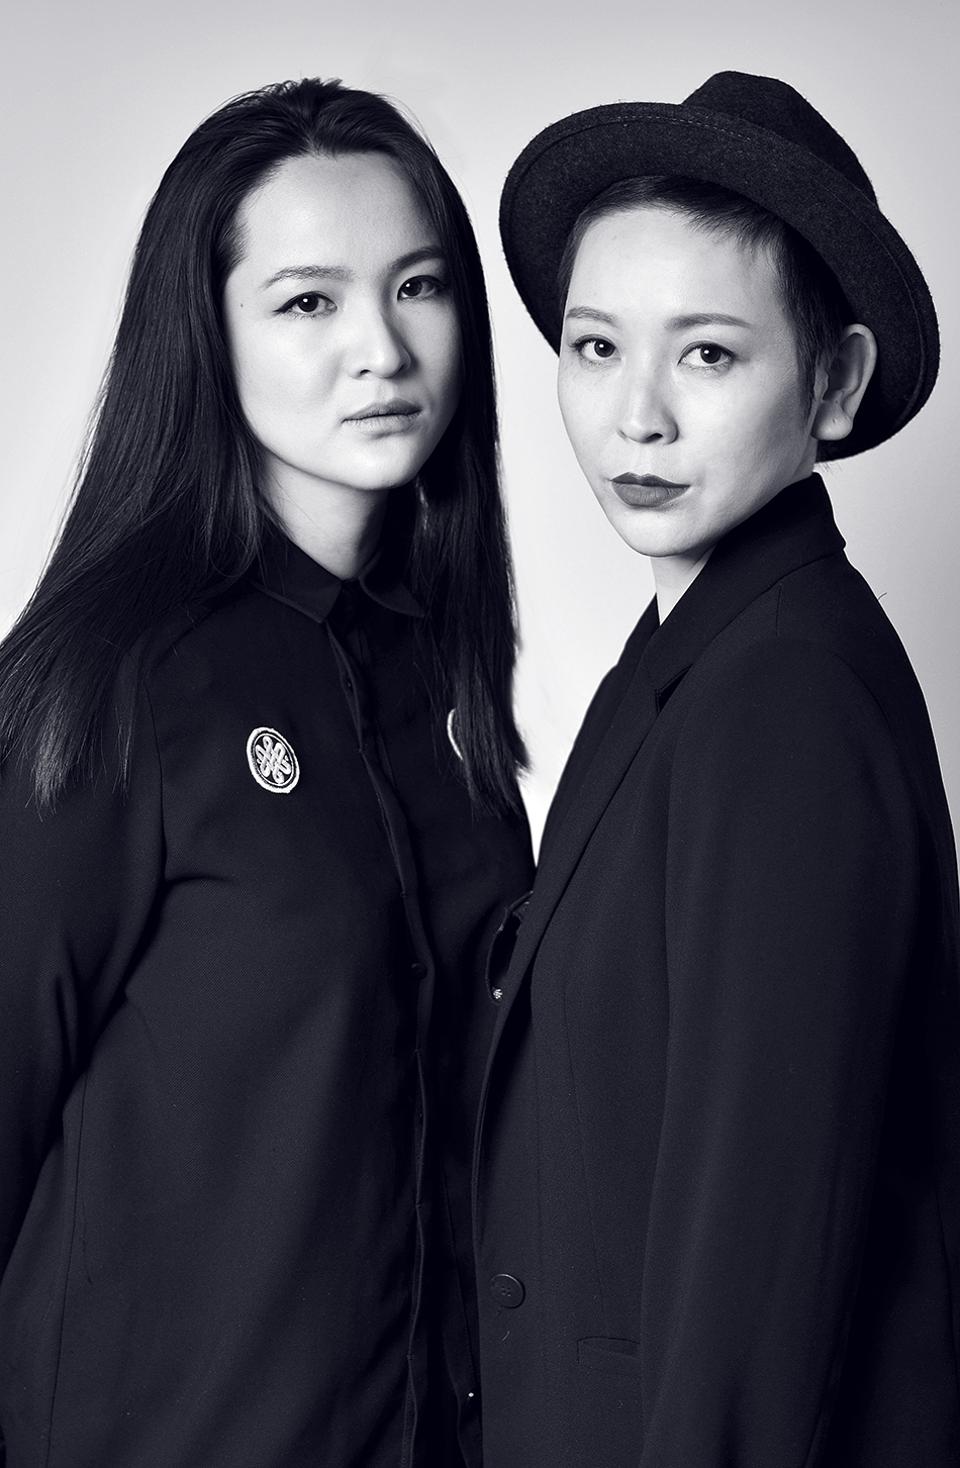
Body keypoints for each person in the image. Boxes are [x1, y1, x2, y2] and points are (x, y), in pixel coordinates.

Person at [0, 77, 532, 1468]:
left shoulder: (447, 681)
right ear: (207, 336)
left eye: (418, 287)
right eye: (308, 302)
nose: (382, 349)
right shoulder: (111, 686)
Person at [473, 71, 959, 1466]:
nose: (637, 417)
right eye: (596, 346)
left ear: (835, 381)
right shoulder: (694, 654)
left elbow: (762, 1257)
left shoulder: (786, 696)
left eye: (707, 354)